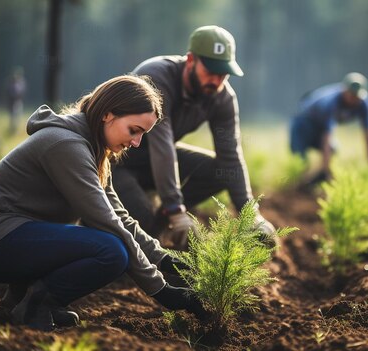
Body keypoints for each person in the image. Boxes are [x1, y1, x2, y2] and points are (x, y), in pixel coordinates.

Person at [0, 75, 206, 331]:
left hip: (15, 238)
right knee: (110, 251)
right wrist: (160, 289)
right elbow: (107, 222)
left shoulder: (96, 151)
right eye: (134, 130)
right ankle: (37, 304)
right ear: (107, 115)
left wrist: (166, 260)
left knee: (108, 244)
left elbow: (120, 216)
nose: (136, 143)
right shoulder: (66, 146)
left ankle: (22, 300)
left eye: (143, 135)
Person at [111, 25, 276, 249]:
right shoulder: (156, 78)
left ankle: (159, 225)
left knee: (220, 171)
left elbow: (231, 157)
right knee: (144, 224)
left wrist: (251, 215)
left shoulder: (222, 98)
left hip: (154, 164)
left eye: (223, 74)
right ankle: (149, 223)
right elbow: (163, 146)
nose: (216, 81)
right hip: (118, 161)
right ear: (190, 60)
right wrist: (175, 209)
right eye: (210, 71)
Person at [289, 72, 368, 188]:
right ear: (344, 90)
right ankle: (296, 187)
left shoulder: (365, 103)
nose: (354, 99)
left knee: (333, 149)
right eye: (352, 95)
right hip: (303, 124)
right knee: (301, 160)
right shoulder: (331, 102)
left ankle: (313, 180)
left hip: (320, 127)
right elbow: (327, 135)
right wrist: (327, 171)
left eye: (357, 96)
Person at [6, 66, 27, 134]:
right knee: (12, 116)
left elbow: (22, 92)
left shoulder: (21, 83)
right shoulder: (11, 84)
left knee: (17, 115)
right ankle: (12, 128)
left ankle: (15, 129)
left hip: (18, 101)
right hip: (12, 102)